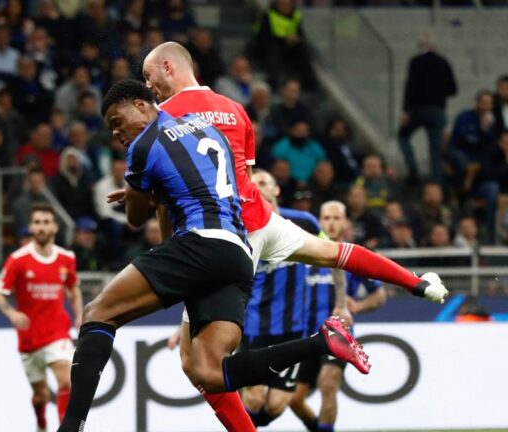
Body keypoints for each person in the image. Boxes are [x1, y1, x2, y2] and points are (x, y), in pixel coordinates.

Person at [140, 41, 448, 431]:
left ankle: (313, 353)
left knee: (197, 365)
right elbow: (241, 179)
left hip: (225, 236)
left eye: (149, 78)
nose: (148, 87)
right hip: (264, 218)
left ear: (169, 67)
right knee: (330, 251)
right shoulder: (236, 110)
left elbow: (175, 194)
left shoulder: (164, 118)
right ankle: (417, 282)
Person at [56, 79, 371, 432]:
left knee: (98, 313)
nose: (116, 132)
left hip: (199, 243)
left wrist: (135, 193)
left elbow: (135, 219)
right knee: (211, 373)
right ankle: (323, 341)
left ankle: (70, 427)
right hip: (237, 254)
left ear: (142, 105)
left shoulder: (143, 145)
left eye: (117, 120)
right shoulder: (204, 128)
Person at [238, 170, 347, 428]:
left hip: (293, 329)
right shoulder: (239, 226)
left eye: (264, 182)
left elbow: (335, 255)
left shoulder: (304, 221)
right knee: (253, 399)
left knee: (277, 405)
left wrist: (341, 303)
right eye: (254, 184)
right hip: (255, 327)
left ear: (276, 190)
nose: (259, 187)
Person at [290, 201, 387, 432]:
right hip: (307, 334)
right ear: (319, 221)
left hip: (338, 335)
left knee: (327, 382)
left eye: (336, 218)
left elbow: (380, 295)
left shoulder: (354, 256)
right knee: (294, 399)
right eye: (326, 218)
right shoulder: (304, 254)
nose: (331, 223)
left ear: (345, 222)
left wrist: (358, 306)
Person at [0, 204, 82, 432]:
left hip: (57, 332)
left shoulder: (66, 258)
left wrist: (79, 315)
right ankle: (41, 422)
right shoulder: (18, 259)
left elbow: (73, 288)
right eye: (37, 222)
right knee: (41, 395)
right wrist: (11, 312)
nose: (41, 227)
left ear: (55, 227)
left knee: (65, 379)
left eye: (46, 222)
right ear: (31, 227)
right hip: (29, 338)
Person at [397, 32, 457, 183]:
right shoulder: (443, 62)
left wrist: (405, 110)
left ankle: (412, 167)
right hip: (437, 110)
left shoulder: (415, 62)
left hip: (416, 109)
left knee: (403, 137)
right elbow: (453, 89)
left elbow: (410, 86)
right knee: (435, 149)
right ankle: (436, 182)